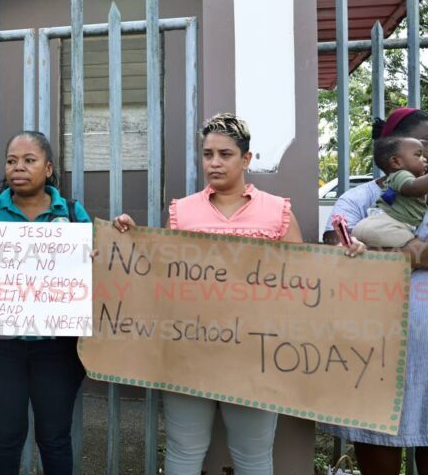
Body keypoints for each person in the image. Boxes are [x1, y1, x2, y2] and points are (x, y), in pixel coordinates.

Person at [113, 113, 364, 475]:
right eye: (207, 153)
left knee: (252, 455)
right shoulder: (182, 212)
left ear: (246, 159)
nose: (214, 162)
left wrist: (348, 257)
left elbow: (303, 278)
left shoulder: (276, 211)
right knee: (184, 450)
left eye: (225, 154)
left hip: (254, 355)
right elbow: (161, 275)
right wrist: (129, 243)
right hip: (190, 350)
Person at [0, 130, 90, 475]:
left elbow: (100, 265)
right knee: (6, 436)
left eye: (29, 160)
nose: (18, 167)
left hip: (58, 349)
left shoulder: (70, 212)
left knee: (54, 437)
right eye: (11, 161)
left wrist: (107, 246)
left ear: (49, 168)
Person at [321, 107, 428, 475]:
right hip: (376, 350)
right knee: (377, 443)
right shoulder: (358, 197)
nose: (427, 157)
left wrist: (383, 255)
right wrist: (411, 253)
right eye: (423, 148)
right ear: (396, 156)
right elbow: (336, 247)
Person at [351, 136, 428, 248]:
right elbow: (413, 188)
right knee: (415, 247)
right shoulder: (401, 175)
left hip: (367, 226)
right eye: (418, 155)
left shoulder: (394, 181)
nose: (425, 159)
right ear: (396, 162)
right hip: (387, 228)